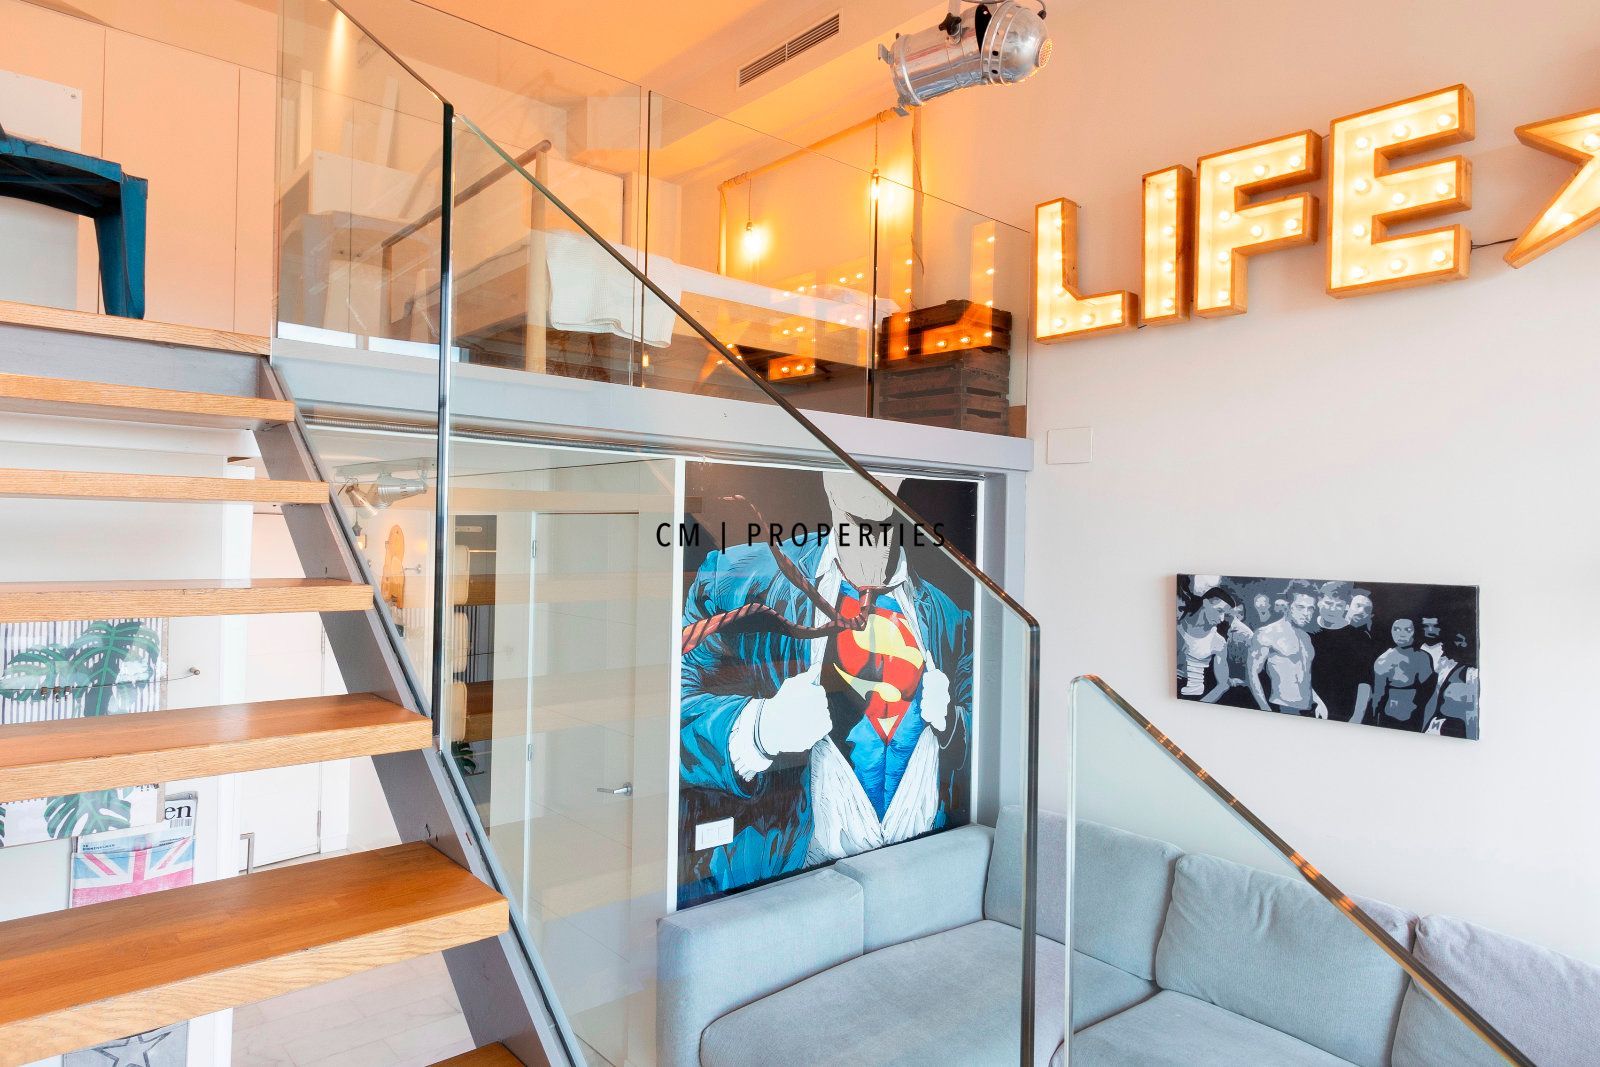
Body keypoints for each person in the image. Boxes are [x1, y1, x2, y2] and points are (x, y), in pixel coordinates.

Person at [678, 472, 972, 907]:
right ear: (826, 472)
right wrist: (757, 730)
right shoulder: (738, 578)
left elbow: (991, 735)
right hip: (791, 886)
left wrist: (954, 726)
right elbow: (668, 706)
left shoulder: (948, 616)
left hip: (919, 881)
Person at [1309, 581, 1374, 723]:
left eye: (1339, 605)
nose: (1332, 609)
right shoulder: (1307, 631)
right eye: (1328, 603)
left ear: (1346, 606)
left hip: (1345, 713)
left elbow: (1365, 682)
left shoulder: (1360, 638)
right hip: (1309, 710)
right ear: (1319, 601)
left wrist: (1357, 716)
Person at [1249, 589, 1319, 716]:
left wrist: (1319, 702)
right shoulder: (1266, 633)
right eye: (1300, 607)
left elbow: (1303, 675)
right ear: (1288, 606)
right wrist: (1265, 709)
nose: (1306, 613)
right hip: (1280, 707)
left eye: (1310, 609)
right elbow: (1252, 673)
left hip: (1308, 709)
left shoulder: (1306, 638)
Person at [1177, 587, 1240, 702]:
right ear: (1205, 603)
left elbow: (1223, 685)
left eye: (1225, 614)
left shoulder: (1218, 642)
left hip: (1193, 696)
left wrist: (1200, 705)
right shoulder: (1178, 621)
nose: (1221, 618)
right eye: (1219, 610)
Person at [1372, 619, 1435, 730]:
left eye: (1407, 630)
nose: (1401, 634)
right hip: (1390, 717)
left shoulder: (1424, 657)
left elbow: (1430, 693)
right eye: (1396, 629)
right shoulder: (1383, 660)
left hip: (1418, 716)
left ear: (1415, 631)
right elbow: (1378, 695)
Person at [1423, 628, 1479, 739]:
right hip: (1437, 727)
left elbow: (1472, 713)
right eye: (1459, 640)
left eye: (1467, 641)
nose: (1464, 644)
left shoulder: (1474, 674)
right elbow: (1432, 702)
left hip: (1459, 731)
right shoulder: (1446, 665)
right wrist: (1424, 728)